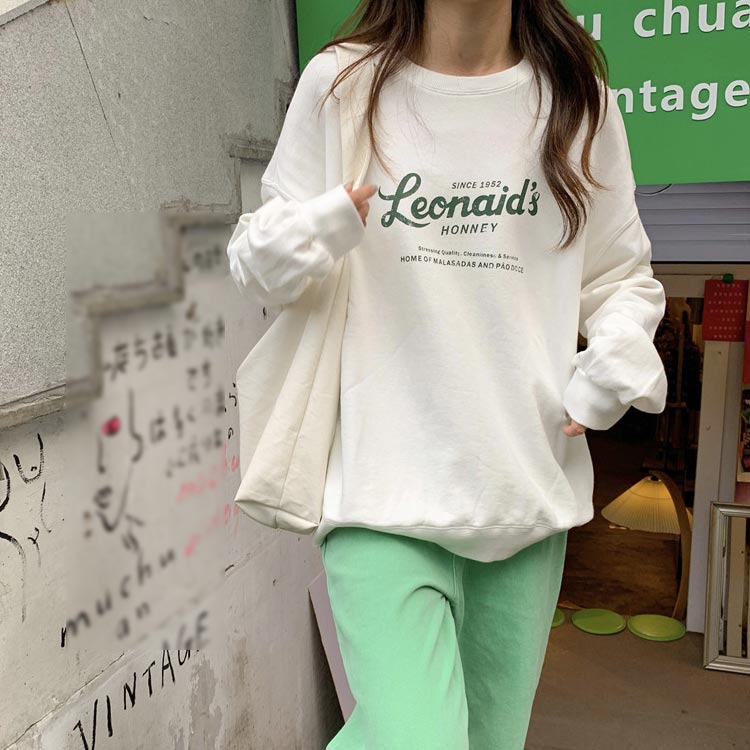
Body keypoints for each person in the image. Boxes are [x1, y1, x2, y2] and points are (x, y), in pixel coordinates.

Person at [226, 1, 668, 747]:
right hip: (380, 497)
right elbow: (256, 263)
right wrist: (325, 223)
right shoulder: (344, 84)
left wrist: (611, 366)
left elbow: (620, 275)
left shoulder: (577, 99)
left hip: (524, 498)